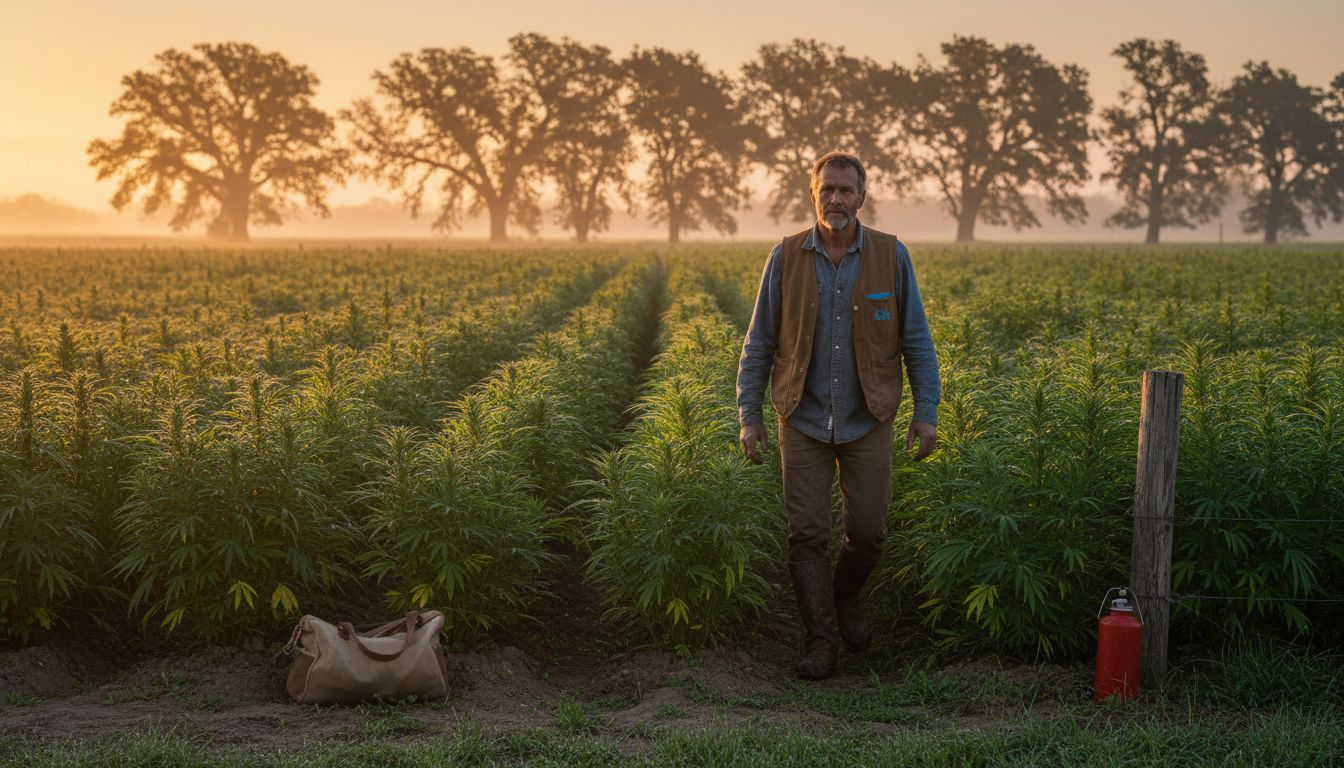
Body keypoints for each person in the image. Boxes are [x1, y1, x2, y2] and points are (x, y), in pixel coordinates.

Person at [736, 151, 940, 679]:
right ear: (813, 193)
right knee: (806, 534)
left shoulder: (890, 257)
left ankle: (844, 596)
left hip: (867, 416)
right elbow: (759, 340)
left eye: (846, 190)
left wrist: (927, 410)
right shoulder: (785, 257)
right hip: (800, 416)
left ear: (862, 197)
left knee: (868, 532)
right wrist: (749, 413)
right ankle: (820, 640)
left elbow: (916, 339)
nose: (836, 199)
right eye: (827, 189)